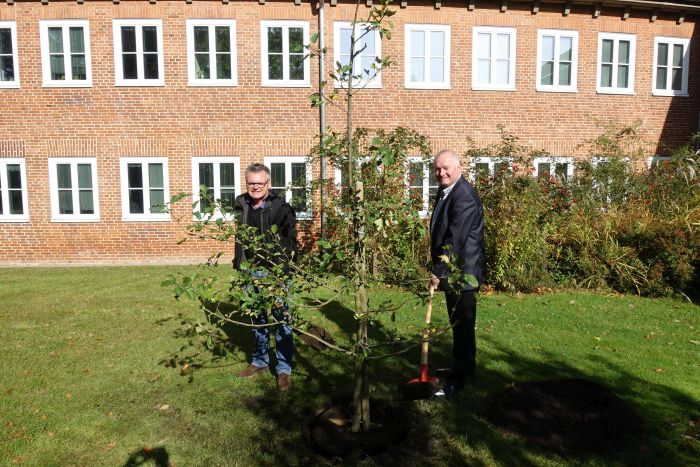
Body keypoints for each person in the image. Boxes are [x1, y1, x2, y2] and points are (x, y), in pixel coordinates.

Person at [233, 163, 297, 392]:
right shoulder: (241, 205)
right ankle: (260, 361)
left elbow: (291, 243)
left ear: (268, 184)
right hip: (250, 272)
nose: (256, 187)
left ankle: (283, 369)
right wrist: (241, 265)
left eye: (260, 183)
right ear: (247, 183)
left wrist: (279, 272)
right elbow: (240, 239)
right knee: (257, 318)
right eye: (252, 183)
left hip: (276, 274)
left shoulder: (282, 208)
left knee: (282, 321)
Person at [430, 149, 485, 397]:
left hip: (463, 273)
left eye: (445, 168)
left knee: (462, 325)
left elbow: (456, 239)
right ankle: (464, 366)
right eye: (437, 169)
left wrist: (438, 271)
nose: (441, 173)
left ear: (458, 167)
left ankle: (458, 380)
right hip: (454, 271)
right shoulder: (446, 191)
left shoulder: (464, 197)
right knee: (458, 324)